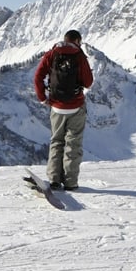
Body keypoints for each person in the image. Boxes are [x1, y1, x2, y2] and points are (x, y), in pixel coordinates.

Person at [33, 29, 93, 191]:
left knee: (57, 141)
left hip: (56, 107)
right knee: (73, 143)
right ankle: (70, 182)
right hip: (76, 105)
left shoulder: (52, 54)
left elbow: (38, 76)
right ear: (78, 41)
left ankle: (54, 179)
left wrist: (43, 98)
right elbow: (88, 82)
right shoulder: (79, 55)